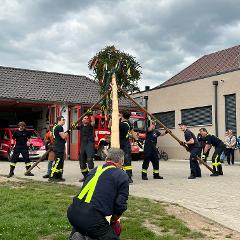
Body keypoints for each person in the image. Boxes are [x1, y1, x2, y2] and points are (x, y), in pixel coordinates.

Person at [67, 148, 129, 240]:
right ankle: (83, 236)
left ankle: (79, 235)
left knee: (87, 226)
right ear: (121, 161)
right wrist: (113, 221)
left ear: (107, 159)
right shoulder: (122, 175)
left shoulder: (94, 170)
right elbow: (120, 205)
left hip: (73, 212)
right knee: (108, 234)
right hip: (91, 217)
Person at [75, 113, 95, 182]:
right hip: (83, 145)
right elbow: (74, 125)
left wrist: (91, 114)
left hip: (89, 144)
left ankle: (92, 176)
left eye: (87, 118)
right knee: (82, 161)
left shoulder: (90, 125)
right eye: (84, 118)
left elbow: (93, 122)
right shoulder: (80, 126)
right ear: (82, 120)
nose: (86, 119)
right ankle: (86, 176)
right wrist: (78, 119)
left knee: (89, 159)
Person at [119, 111, 138, 184]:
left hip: (121, 144)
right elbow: (133, 132)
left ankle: (125, 176)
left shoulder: (120, 124)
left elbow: (109, 126)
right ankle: (128, 177)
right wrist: (137, 139)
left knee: (122, 161)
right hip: (126, 144)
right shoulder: (129, 123)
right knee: (127, 161)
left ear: (122, 115)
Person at [49, 116, 69, 182]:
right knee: (58, 162)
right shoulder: (59, 127)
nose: (64, 121)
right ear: (59, 120)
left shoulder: (56, 127)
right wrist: (68, 131)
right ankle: (52, 176)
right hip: (59, 147)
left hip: (59, 146)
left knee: (60, 162)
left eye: (64, 120)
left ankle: (59, 176)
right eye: (63, 120)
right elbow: (63, 136)